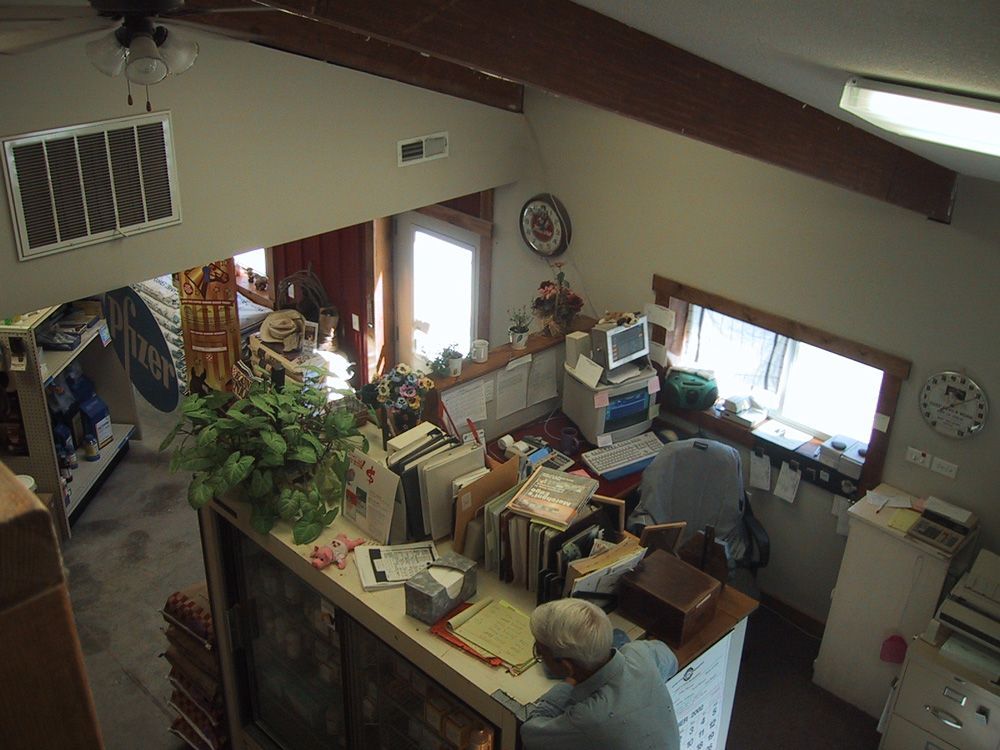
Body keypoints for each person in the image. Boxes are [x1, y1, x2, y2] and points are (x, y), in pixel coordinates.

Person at [521, 598, 680, 750]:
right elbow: (672, 661)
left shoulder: (587, 719)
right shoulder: (640, 654)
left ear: (567, 666)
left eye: (540, 652)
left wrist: (568, 684)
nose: (538, 654)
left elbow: (530, 734)